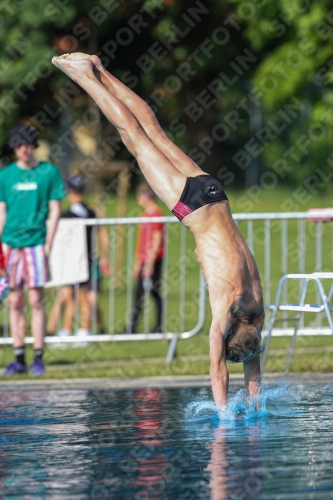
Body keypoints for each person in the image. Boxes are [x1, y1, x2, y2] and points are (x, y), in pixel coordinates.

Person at [52, 53, 264, 409]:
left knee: (152, 131)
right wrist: (225, 415)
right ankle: (84, 77)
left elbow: (253, 366)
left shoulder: (257, 306)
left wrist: (256, 403)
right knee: (132, 137)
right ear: (230, 333)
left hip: (214, 195)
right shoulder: (226, 309)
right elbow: (217, 370)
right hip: (191, 207)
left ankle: (100, 67)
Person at [0, 124, 66, 375]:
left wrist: (48, 242)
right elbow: (1, 212)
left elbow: (55, 210)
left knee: (36, 299)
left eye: (26, 144)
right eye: (18, 145)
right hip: (11, 245)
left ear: (33, 145)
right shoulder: (5, 176)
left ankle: (38, 356)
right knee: (14, 300)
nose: (23, 149)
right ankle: (19, 358)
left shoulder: (48, 172)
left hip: (36, 242)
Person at [47, 175, 109, 341]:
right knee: (72, 295)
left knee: (78, 296)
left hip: (77, 261)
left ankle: (82, 331)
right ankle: (65, 330)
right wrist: (105, 256)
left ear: (69, 191)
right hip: (84, 259)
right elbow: (103, 234)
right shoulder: (91, 212)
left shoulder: (67, 215)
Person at [128, 182, 164, 334]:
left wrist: (150, 263)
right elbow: (141, 240)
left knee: (153, 292)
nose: (138, 200)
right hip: (144, 260)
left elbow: (157, 239)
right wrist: (138, 262)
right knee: (139, 293)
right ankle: (133, 326)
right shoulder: (144, 215)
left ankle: (157, 326)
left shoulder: (157, 214)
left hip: (153, 260)